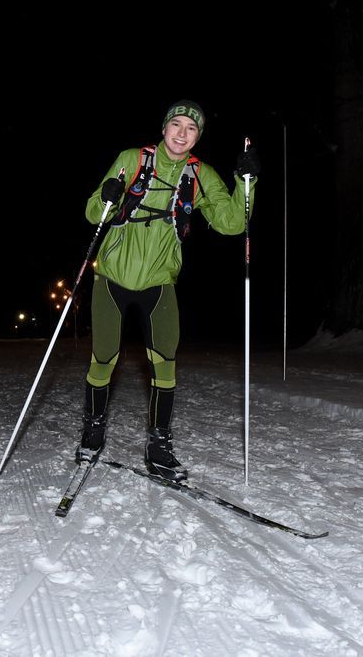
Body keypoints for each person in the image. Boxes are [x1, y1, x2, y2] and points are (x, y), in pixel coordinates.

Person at [77, 100, 259, 481]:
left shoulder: (200, 174)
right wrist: (108, 194)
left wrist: (247, 183)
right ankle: (92, 433)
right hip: (111, 277)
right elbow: (95, 213)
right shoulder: (131, 158)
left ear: (197, 137)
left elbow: (230, 224)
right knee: (103, 360)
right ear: (164, 128)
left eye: (190, 129)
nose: (181, 133)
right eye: (176, 124)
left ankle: (159, 446)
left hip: (160, 281)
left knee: (165, 365)